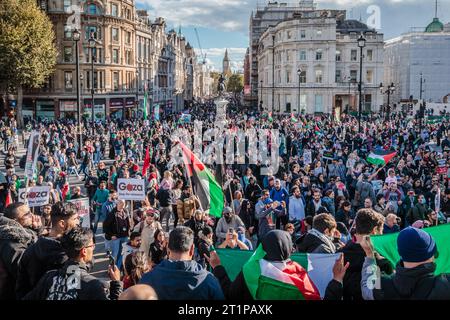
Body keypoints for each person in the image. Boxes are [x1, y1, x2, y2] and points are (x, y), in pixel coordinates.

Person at [208, 230, 321, 300]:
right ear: (288, 248)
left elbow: (231, 295)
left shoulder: (251, 269)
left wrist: (217, 266)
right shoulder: (299, 272)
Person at [23, 227, 122, 300]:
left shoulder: (50, 277)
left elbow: (73, 285)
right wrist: (116, 284)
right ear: (83, 251)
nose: (93, 249)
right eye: (92, 246)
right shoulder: (91, 284)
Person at [360, 227, 450, 300]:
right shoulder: (445, 284)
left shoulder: (381, 286)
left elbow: (367, 289)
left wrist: (369, 255)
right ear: (432, 255)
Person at [15, 202, 80, 299]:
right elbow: (74, 290)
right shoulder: (70, 254)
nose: (78, 222)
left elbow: (21, 289)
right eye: (75, 219)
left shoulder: (30, 251)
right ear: (62, 223)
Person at [139, 226, 225, 300]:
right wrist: (217, 267)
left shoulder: (147, 280)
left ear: (168, 249)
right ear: (192, 250)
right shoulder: (209, 281)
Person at [334, 209, 393, 300]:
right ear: (375, 231)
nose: (381, 235)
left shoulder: (338, 257)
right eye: (381, 231)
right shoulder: (382, 263)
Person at [0, 203, 39, 300]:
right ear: (15, 221)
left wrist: (37, 230)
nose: (32, 216)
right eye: (27, 214)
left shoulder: (24, 233)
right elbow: (23, 268)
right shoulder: (10, 239)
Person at [103, 199, 132, 267]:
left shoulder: (125, 211)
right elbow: (105, 225)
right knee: (114, 254)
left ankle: (118, 267)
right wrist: (111, 235)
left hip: (124, 236)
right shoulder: (112, 213)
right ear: (117, 204)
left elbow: (128, 222)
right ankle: (112, 267)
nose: (122, 205)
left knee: (122, 253)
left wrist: (130, 227)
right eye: (120, 203)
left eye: (123, 203)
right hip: (116, 237)